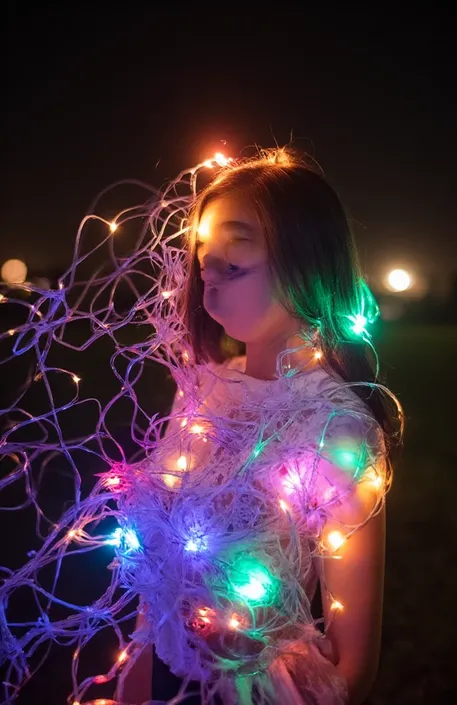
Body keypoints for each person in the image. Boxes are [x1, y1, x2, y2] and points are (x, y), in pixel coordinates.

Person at [119, 149, 403, 705]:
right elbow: (158, 585)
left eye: (233, 262)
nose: (208, 276)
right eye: (204, 261)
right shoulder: (201, 391)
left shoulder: (337, 427)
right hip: (162, 677)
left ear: (308, 263)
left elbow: (354, 663)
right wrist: (133, 674)